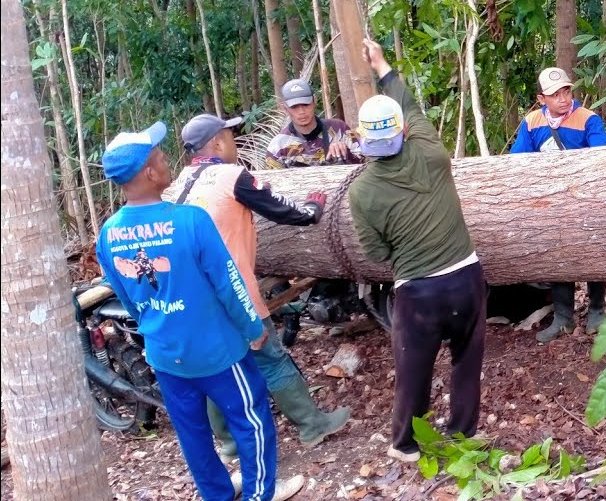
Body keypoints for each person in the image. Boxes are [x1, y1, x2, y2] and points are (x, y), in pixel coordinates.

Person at [95, 122, 300, 501]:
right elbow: (229, 283)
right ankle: (257, 495)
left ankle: (218, 495)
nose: (166, 157)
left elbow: (127, 299)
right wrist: (253, 327)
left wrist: (156, 325)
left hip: (165, 354)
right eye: (159, 155)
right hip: (219, 351)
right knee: (251, 421)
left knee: (192, 434)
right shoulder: (190, 220)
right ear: (150, 172)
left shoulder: (108, 233)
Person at [174, 114, 351, 458]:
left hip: (195, 295)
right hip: (233, 290)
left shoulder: (182, 182)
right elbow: (283, 210)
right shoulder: (231, 176)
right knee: (270, 358)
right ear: (216, 143)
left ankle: (228, 444)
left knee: (216, 366)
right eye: (229, 136)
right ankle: (312, 425)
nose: (233, 142)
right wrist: (313, 208)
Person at [347, 39, 487, 464]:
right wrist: (382, 66)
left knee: (413, 370)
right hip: (466, 278)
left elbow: (375, 254)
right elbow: (408, 105)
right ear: (403, 131)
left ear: (363, 139)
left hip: (419, 293)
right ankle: (462, 433)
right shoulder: (431, 150)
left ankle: (407, 443)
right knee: (466, 361)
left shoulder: (361, 192)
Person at [510, 67, 606, 343]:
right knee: (558, 257)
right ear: (542, 98)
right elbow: (517, 162)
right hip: (549, 206)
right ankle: (563, 318)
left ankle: (597, 311)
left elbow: (603, 159)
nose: (563, 98)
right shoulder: (531, 123)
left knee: (592, 253)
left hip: (585, 201)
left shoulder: (588, 120)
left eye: (566, 91)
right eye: (555, 94)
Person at [264, 78, 360, 168]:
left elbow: (364, 163)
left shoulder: (340, 129)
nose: (301, 111)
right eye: (294, 107)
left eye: (306, 104)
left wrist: (345, 152)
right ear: (284, 108)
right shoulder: (278, 146)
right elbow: (271, 182)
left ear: (314, 101)